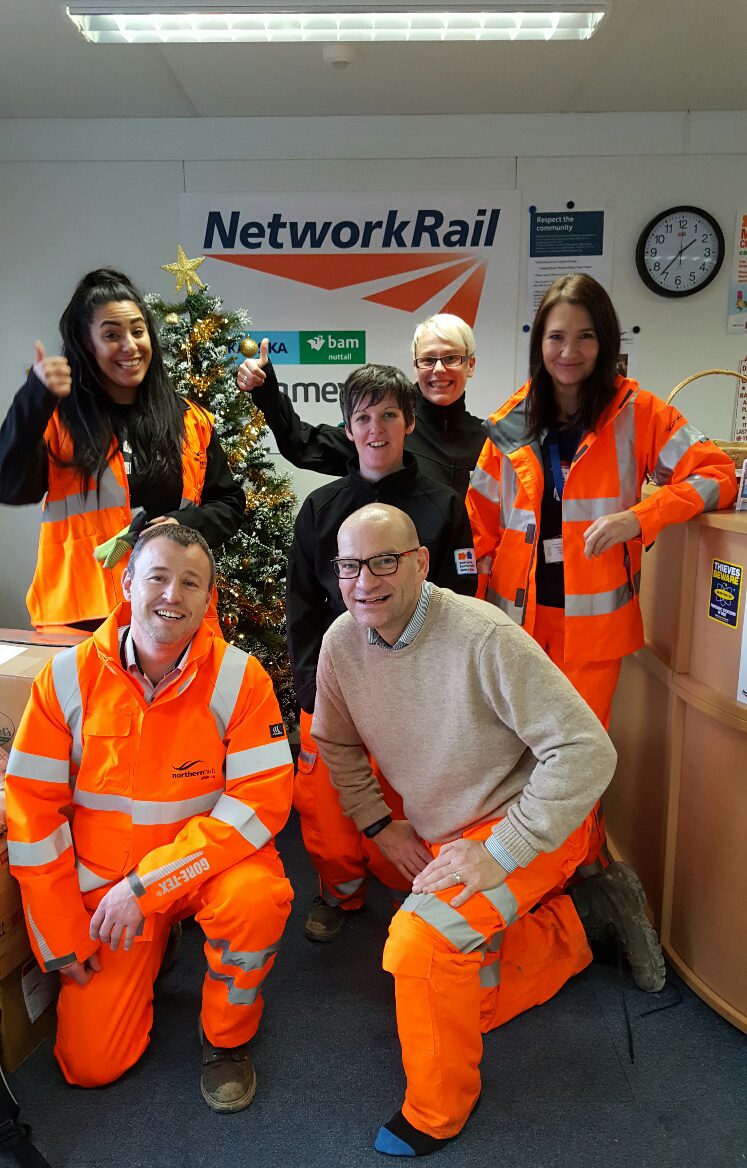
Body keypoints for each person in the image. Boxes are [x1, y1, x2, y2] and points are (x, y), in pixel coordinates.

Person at [312, 503, 665, 1156]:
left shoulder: (480, 634)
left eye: (384, 561)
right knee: (446, 997)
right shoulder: (341, 644)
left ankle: (435, 1112)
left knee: (418, 951)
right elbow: (333, 744)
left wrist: (501, 851)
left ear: (420, 562)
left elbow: (588, 753)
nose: (365, 580)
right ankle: (585, 922)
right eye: (350, 565)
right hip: (444, 831)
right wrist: (377, 821)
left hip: (536, 823)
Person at [4, 525, 293, 1113]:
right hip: (109, 892)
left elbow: (262, 798)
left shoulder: (241, 678)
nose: (172, 595)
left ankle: (227, 1038)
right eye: (158, 577)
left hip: (205, 870)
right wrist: (59, 933)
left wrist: (151, 885)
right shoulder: (64, 679)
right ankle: (157, 946)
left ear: (207, 600)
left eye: (191, 583)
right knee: (89, 1067)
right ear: (128, 583)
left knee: (257, 901)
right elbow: (32, 815)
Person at [466, 274, 737, 872]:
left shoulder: (640, 412)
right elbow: (479, 517)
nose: (570, 352)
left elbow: (719, 474)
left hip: (593, 629)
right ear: (539, 341)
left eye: (586, 336)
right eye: (557, 336)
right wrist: (480, 588)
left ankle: (573, 870)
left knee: (578, 757)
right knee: (516, 754)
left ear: (607, 340)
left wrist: (641, 516)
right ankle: (518, 875)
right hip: (518, 626)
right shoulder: (512, 420)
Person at [287, 365, 477, 942]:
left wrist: (445, 693)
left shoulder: (444, 506)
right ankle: (338, 893)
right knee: (327, 816)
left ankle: (415, 894)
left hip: (415, 694)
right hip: (335, 689)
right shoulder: (320, 509)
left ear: (409, 422)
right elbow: (301, 608)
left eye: (388, 415)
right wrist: (311, 693)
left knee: (411, 807)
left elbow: (460, 604)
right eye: (363, 417)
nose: (376, 429)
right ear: (348, 428)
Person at [0, 269, 245, 634]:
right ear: (87, 345)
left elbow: (228, 502)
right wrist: (32, 401)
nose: (129, 346)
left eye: (137, 330)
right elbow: (11, 486)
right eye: (111, 335)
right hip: (81, 620)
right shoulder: (59, 420)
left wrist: (185, 524)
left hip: (174, 614)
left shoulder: (190, 420)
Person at [236, 312, 485, 494]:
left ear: (470, 365)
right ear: (416, 366)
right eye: (428, 360)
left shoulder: (488, 440)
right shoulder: (384, 423)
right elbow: (303, 446)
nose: (439, 370)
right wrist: (265, 388)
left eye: (451, 358)